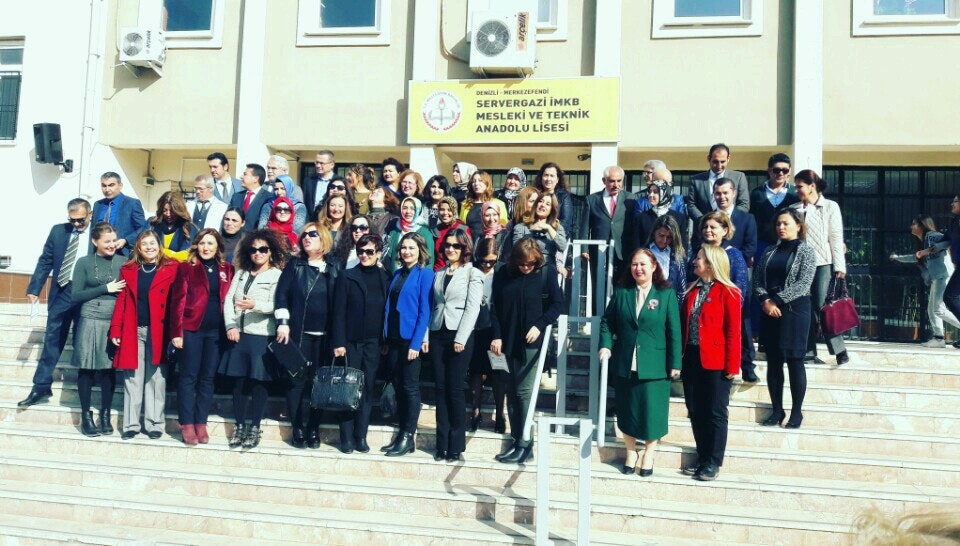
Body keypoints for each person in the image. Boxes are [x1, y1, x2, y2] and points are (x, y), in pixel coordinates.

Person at [598, 248, 681, 477]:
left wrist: (675, 362)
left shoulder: (665, 294)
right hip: (626, 362)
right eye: (634, 264)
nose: (638, 269)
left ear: (654, 266)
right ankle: (631, 451)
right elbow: (607, 321)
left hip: (655, 364)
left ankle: (649, 453)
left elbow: (674, 330)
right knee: (627, 410)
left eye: (643, 264)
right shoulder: (623, 292)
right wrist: (605, 345)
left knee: (652, 412)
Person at [490, 238, 563, 465]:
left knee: (524, 393)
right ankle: (516, 439)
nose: (526, 268)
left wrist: (540, 325)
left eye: (530, 264)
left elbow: (558, 304)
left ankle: (526, 444)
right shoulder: (503, 273)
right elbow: (495, 308)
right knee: (511, 393)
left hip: (530, 343)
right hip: (507, 340)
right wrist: (497, 335)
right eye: (522, 264)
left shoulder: (545, 273)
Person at [19, 199, 92, 408]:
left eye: (81, 220)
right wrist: (35, 289)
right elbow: (46, 260)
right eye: (73, 220)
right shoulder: (59, 231)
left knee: (83, 341)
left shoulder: (98, 233)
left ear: (90, 214)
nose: (77, 224)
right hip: (62, 292)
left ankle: (85, 389)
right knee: (52, 339)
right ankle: (40, 385)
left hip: (86, 294)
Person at [220, 229, 286, 449]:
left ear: (271, 251)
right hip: (239, 334)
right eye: (253, 249)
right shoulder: (241, 273)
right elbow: (229, 299)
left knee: (259, 383)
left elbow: (277, 305)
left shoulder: (277, 275)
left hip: (261, 335)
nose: (258, 253)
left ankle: (255, 426)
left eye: (263, 249)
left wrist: (255, 306)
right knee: (239, 382)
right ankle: (239, 425)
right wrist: (230, 325)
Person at [109, 230, 178, 440]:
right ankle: (131, 424)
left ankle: (154, 423)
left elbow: (178, 301)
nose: (149, 247)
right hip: (133, 329)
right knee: (132, 377)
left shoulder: (173, 267)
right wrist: (115, 329)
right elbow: (121, 301)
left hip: (160, 330)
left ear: (160, 245)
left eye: (152, 243)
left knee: (156, 378)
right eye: (144, 244)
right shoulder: (128, 269)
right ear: (138, 248)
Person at [274, 224, 338, 450]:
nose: (307, 238)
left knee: (318, 385)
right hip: (299, 336)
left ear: (324, 239)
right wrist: (283, 323)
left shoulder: (334, 267)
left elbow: (341, 305)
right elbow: (281, 295)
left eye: (313, 234)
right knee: (296, 382)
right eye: (304, 235)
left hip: (325, 338)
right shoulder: (295, 265)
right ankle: (298, 427)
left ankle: (313, 428)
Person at [680, 245, 741, 481]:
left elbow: (733, 333)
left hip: (716, 361)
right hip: (692, 359)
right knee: (695, 410)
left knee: (715, 411)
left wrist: (732, 367)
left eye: (699, 258)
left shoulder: (729, 292)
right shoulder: (692, 291)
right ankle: (702, 456)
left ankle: (713, 461)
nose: (694, 261)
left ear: (712, 263)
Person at [169, 229, 234, 445]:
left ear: (218, 247)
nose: (206, 247)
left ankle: (201, 422)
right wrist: (176, 332)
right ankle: (186, 423)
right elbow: (177, 301)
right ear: (196, 245)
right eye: (203, 243)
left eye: (211, 243)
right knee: (189, 377)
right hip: (191, 329)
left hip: (216, 333)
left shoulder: (227, 269)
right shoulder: (186, 268)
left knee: (207, 378)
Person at [753, 209, 817, 429]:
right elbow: (757, 281)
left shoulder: (806, 252)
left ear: (798, 226)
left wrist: (776, 301)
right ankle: (776, 410)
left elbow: (803, 283)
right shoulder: (769, 251)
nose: (781, 227)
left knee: (794, 360)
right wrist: (765, 301)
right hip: (769, 309)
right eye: (778, 224)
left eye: (786, 223)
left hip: (795, 310)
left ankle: (796, 412)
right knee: (774, 361)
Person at [331, 234, 390, 454]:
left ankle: (360, 436)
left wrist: (385, 340)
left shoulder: (385, 277)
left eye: (370, 252)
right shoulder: (347, 276)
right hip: (350, 343)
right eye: (361, 251)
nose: (364, 255)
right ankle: (345, 437)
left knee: (366, 391)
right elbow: (338, 311)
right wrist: (339, 341)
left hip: (374, 344)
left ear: (378, 253)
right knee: (348, 389)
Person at [428, 230, 483, 462]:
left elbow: (473, 308)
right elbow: (433, 305)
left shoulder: (473, 273)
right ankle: (441, 445)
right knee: (440, 389)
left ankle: (455, 445)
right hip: (438, 331)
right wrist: (425, 336)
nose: (451, 249)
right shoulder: (439, 273)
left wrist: (461, 338)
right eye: (448, 245)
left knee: (455, 389)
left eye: (457, 246)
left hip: (459, 335)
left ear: (465, 249)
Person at [380, 233, 435, 458]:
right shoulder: (398, 273)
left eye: (411, 248)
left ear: (420, 250)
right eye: (403, 248)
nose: (406, 252)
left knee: (410, 387)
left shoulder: (425, 274)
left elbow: (425, 311)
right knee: (400, 386)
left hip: (410, 339)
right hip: (393, 337)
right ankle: (402, 433)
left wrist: (417, 341)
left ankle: (407, 435)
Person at [70, 222, 126, 436]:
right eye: (107, 241)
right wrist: (105, 288)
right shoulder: (84, 262)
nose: (112, 245)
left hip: (113, 318)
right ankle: (86, 415)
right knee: (87, 367)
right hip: (90, 316)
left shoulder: (123, 261)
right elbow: (75, 295)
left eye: (114, 241)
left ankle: (105, 413)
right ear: (95, 241)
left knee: (108, 369)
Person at [790, 169, 849, 365]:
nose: (797, 190)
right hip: (799, 265)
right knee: (804, 308)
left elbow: (836, 237)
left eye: (800, 186)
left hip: (823, 263)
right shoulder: (793, 209)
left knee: (823, 307)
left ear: (812, 186)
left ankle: (839, 350)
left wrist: (840, 266)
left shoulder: (830, 207)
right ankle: (808, 351)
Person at [890, 215, 960, 348]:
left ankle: (940, 338)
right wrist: (898, 258)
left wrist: (931, 249)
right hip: (938, 277)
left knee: (938, 310)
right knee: (932, 309)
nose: (911, 226)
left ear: (921, 225)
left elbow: (947, 242)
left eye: (913, 223)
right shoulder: (924, 240)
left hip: (943, 276)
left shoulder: (932, 236)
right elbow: (915, 257)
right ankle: (939, 338)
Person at [468, 238, 506, 434]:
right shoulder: (472, 271)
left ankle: (500, 414)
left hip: (495, 329)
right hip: (475, 327)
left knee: (498, 373)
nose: (487, 265)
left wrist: (498, 334)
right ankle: (476, 412)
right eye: (484, 261)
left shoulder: (500, 273)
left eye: (491, 261)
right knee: (475, 372)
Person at [579, 166, 631, 305]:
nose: (616, 185)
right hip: (598, 251)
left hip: (622, 251)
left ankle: (619, 319)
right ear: (604, 181)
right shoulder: (591, 200)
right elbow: (584, 227)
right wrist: (584, 248)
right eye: (612, 181)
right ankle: (599, 319)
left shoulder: (630, 198)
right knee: (598, 286)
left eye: (619, 181)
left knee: (622, 287)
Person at [920, 194, 960, 350]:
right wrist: (928, 250)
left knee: (950, 297)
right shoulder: (955, 221)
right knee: (950, 297)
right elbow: (947, 240)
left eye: (956, 201)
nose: (952, 204)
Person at [685, 143, 750, 225]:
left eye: (722, 162)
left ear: (728, 158)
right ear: (709, 159)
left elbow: (744, 204)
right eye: (715, 162)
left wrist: (727, 221)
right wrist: (705, 222)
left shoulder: (739, 177)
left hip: (731, 229)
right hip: (704, 231)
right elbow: (691, 205)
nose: (719, 166)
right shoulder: (696, 180)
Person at [624, 179, 687, 259]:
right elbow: (636, 247)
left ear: (665, 193)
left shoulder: (679, 218)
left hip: (671, 266)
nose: (651, 195)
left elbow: (682, 248)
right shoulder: (641, 218)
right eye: (650, 191)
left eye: (656, 192)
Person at [92, 172, 147, 255]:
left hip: (121, 254)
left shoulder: (131, 203)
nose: (107, 189)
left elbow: (143, 228)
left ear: (120, 186)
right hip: (99, 254)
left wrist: (126, 240)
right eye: (104, 185)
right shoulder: (98, 205)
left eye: (111, 185)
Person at [512, 193, 568, 276]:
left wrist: (549, 228)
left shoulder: (556, 228)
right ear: (536, 204)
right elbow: (516, 250)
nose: (543, 205)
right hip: (527, 268)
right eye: (540, 201)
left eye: (548, 204)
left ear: (552, 210)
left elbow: (562, 246)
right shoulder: (521, 227)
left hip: (547, 270)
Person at [383, 197, 434, 274]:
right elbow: (387, 256)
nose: (408, 211)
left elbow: (429, 260)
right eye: (405, 208)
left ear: (418, 210)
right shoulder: (394, 232)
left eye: (412, 208)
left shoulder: (425, 233)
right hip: (395, 276)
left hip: (416, 277)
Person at [646, 215, 687, 303]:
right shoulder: (643, 253)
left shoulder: (677, 257)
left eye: (669, 237)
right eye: (661, 235)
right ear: (654, 233)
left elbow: (681, 289)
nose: (664, 240)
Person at [148, 191, 198, 262]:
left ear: (179, 210)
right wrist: (172, 254)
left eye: (172, 211)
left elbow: (187, 254)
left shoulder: (190, 228)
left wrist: (162, 252)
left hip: (178, 269)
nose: (168, 214)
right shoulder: (152, 224)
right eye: (165, 210)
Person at [460, 170, 509, 237]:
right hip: (469, 243)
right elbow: (462, 227)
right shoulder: (465, 204)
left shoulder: (499, 204)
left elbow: (503, 227)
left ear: (487, 183)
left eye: (480, 180)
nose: (476, 183)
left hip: (491, 242)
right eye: (474, 181)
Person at [229, 164, 273, 233]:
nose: (241, 177)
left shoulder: (268, 198)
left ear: (256, 178)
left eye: (245, 174)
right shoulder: (236, 196)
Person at [534, 162, 574, 237]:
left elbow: (565, 222)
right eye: (546, 175)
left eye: (552, 176)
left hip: (556, 237)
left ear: (557, 179)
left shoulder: (564, 196)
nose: (548, 179)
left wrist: (548, 230)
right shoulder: (534, 194)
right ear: (541, 177)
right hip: (535, 235)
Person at [431, 196, 470, 271]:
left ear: (454, 211)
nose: (445, 213)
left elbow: (467, 254)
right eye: (442, 209)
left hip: (457, 272)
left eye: (449, 210)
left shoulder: (462, 228)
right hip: (438, 272)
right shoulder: (436, 229)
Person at [303, 150, 337, 214]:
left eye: (321, 163)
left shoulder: (339, 183)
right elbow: (304, 204)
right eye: (316, 162)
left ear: (332, 164)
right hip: (312, 221)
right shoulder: (308, 181)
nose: (318, 166)